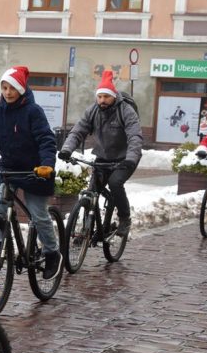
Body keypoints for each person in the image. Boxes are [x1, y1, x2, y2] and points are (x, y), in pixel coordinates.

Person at [0, 65, 61, 278]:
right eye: (4, 87)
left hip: (35, 171)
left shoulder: (33, 111)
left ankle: (52, 253)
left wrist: (47, 164)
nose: (8, 92)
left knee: (38, 216)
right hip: (8, 170)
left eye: (12, 88)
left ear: (20, 88)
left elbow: (46, 140)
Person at [57, 70, 143, 236]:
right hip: (103, 157)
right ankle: (86, 229)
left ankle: (125, 218)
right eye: (100, 96)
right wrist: (66, 149)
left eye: (106, 96)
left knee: (115, 183)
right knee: (92, 191)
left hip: (125, 158)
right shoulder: (93, 111)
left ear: (114, 96)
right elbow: (78, 131)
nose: (102, 100)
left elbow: (135, 136)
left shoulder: (125, 111)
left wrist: (131, 159)